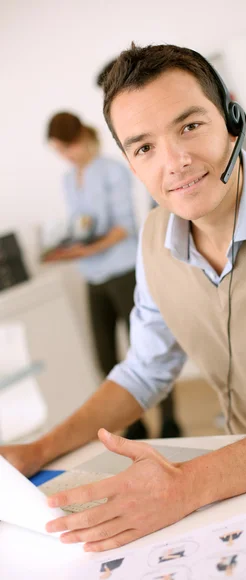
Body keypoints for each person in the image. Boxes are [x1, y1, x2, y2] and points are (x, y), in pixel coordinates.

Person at [1, 42, 246, 554]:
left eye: (189, 126)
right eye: (144, 148)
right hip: (243, 480)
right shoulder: (152, 240)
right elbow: (144, 370)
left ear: (232, 119)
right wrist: (37, 451)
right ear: (131, 164)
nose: (175, 162)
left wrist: (187, 483)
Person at [44, 111, 181, 440]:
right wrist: (69, 247)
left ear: (79, 139)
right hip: (92, 277)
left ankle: (169, 423)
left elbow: (123, 227)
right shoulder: (68, 180)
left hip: (122, 269)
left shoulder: (112, 170)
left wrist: (87, 249)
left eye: (66, 148)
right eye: (58, 152)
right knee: (105, 357)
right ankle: (134, 424)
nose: (64, 157)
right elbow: (82, 225)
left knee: (150, 350)